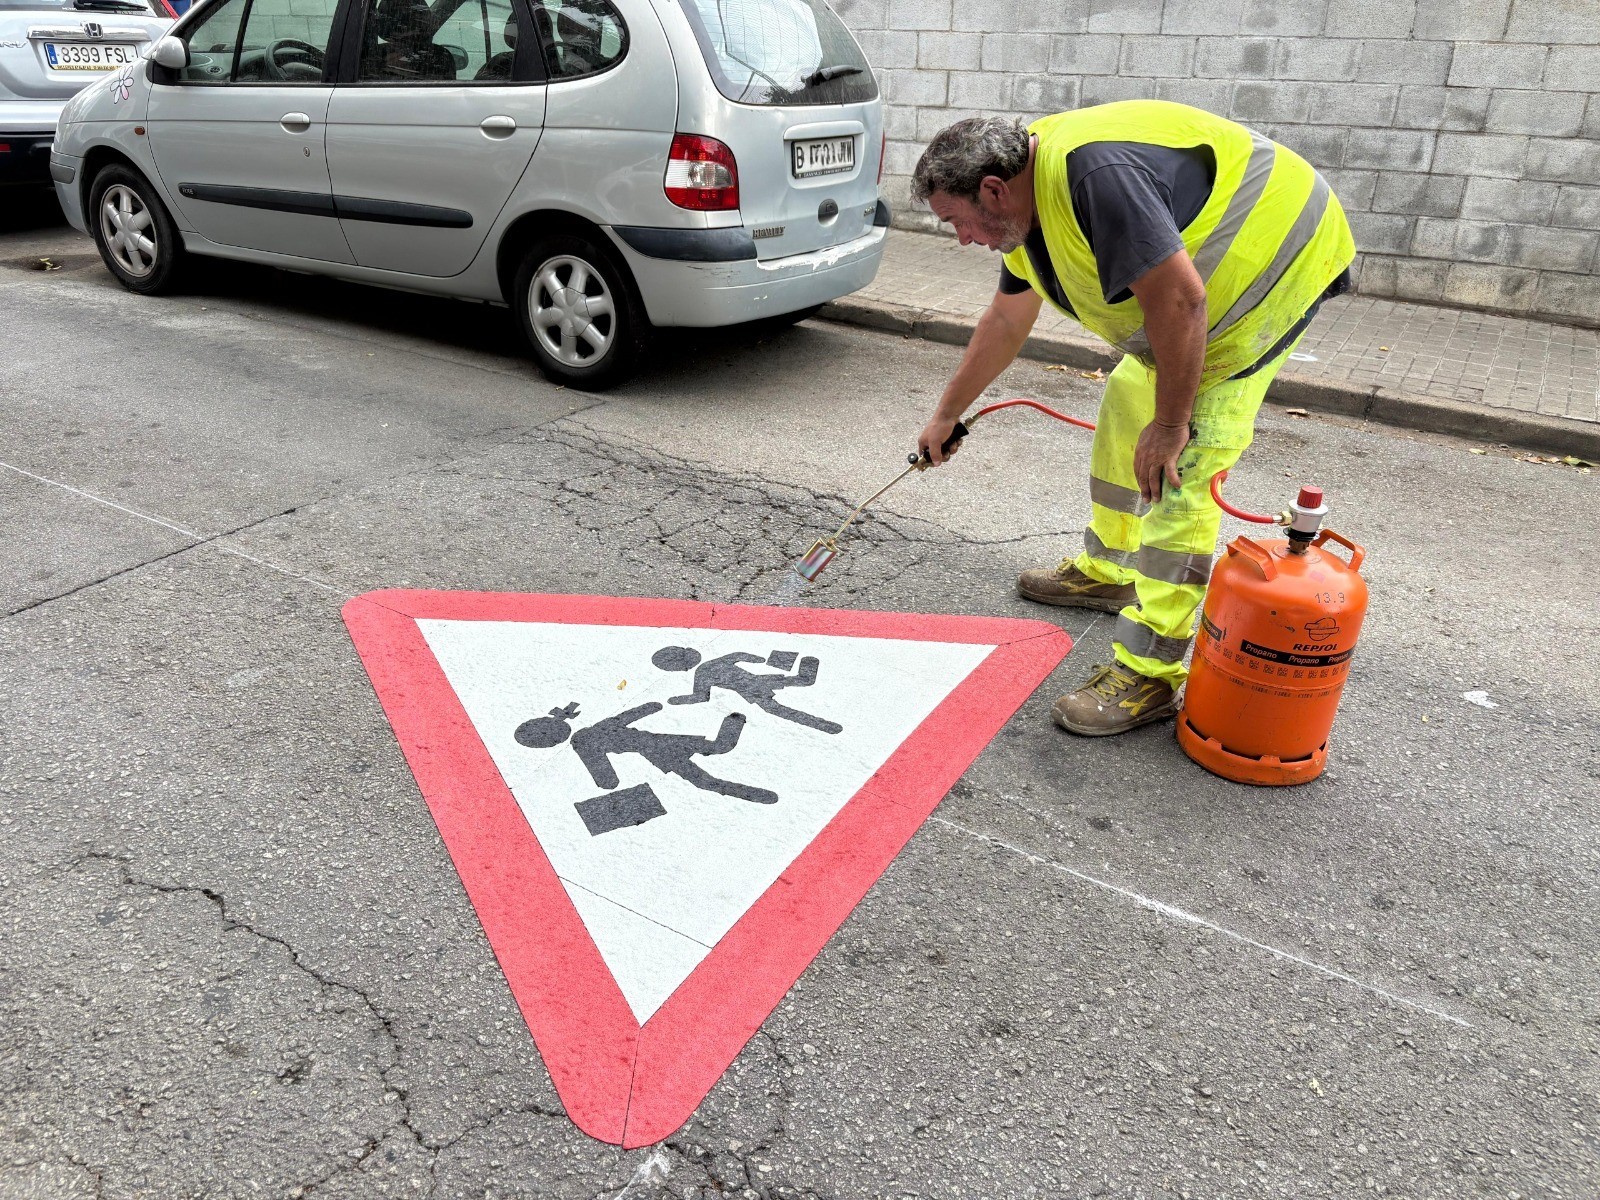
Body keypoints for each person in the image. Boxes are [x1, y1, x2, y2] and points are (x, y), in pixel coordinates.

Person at [911, 101, 1354, 737]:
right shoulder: (1025, 208)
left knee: (1183, 461)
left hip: (1273, 262)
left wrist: (1172, 424)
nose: (960, 238)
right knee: (1128, 401)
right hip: (1195, 297)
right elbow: (1006, 321)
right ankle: (1111, 570)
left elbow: (1180, 298)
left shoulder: (1093, 179)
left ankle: (1151, 672)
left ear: (991, 190)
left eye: (956, 221)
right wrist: (946, 415)